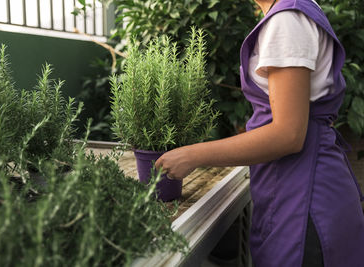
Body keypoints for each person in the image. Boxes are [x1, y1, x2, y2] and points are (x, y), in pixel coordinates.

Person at [155, 0, 364, 266]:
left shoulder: (287, 20)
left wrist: (193, 155)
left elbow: (288, 134)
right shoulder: (294, 11)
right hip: (299, 188)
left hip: (305, 200)